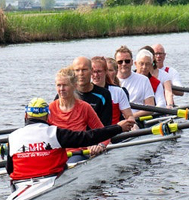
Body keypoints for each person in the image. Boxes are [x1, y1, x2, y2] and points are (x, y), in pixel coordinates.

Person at [7, 98, 135, 181]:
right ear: (47, 117)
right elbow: (89, 137)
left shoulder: (12, 137)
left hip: (20, 183)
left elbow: (9, 169)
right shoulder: (55, 133)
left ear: (26, 115)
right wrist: (118, 128)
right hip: (51, 180)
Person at [49, 66, 108, 161]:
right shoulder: (50, 109)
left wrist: (100, 145)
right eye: (58, 85)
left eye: (65, 85)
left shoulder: (84, 107)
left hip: (77, 154)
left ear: (75, 86)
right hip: (57, 156)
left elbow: (104, 134)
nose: (61, 89)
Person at [114, 45, 155, 118]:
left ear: (132, 62)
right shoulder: (111, 81)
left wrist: (130, 117)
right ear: (115, 64)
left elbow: (150, 108)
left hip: (137, 120)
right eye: (120, 62)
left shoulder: (144, 80)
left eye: (127, 61)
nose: (124, 64)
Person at [71, 56, 113, 126]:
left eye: (84, 70)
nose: (81, 73)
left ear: (91, 71)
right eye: (77, 70)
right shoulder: (66, 93)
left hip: (96, 134)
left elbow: (105, 126)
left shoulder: (104, 94)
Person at [91, 56, 133, 122]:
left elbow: (129, 116)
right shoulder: (84, 91)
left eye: (99, 71)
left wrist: (130, 123)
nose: (96, 75)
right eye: (93, 71)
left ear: (105, 72)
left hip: (115, 130)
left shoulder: (118, 91)